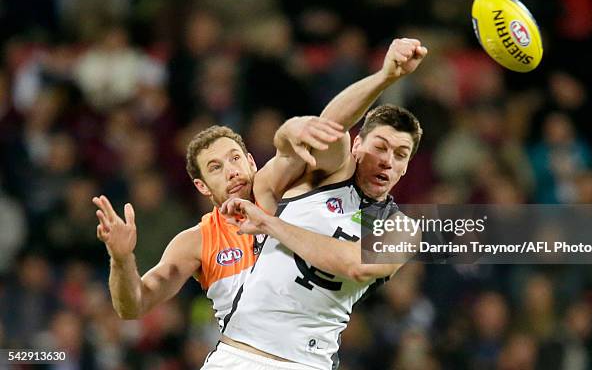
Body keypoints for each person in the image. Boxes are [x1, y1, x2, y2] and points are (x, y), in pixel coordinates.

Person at [92, 37, 424, 331]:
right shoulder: (198, 241)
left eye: (236, 159)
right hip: (239, 354)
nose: (231, 171)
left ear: (252, 161)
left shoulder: (279, 189)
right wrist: (121, 259)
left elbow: (323, 130)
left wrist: (290, 130)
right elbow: (132, 306)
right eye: (216, 167)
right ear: (202, 186)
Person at [203, 39, 428, 370]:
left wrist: (270, 224)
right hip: (238, 355)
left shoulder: (402, 229)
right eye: (380, 147)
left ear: (407, 166)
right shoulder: (327, 174)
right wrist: (386, 76)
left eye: (400, 155)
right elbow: (328, 128)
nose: (387, 162)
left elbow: (357, 265)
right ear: (358, 145)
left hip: (306, 363)